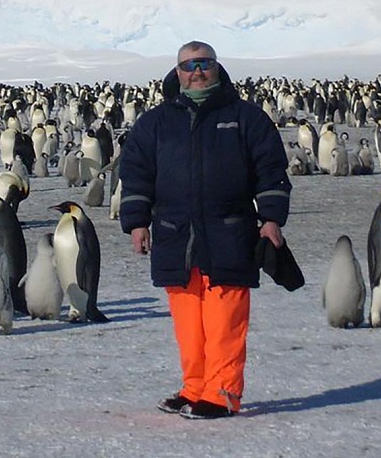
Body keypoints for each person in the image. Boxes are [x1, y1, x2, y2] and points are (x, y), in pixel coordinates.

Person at [119, 41, 291, 419]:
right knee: (188, 321)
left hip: (229, 231)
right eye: (188, 65)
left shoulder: (245, 117)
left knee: (224, 320)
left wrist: (272, 217)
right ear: (176, 73)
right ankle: (195, 387)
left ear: (217, 67)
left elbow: (270, 169)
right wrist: (136, 222)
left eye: (204, 63)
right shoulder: (157, 121)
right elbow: (136, 174)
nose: (196, 71)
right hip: (174, 233)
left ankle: (222, 393)